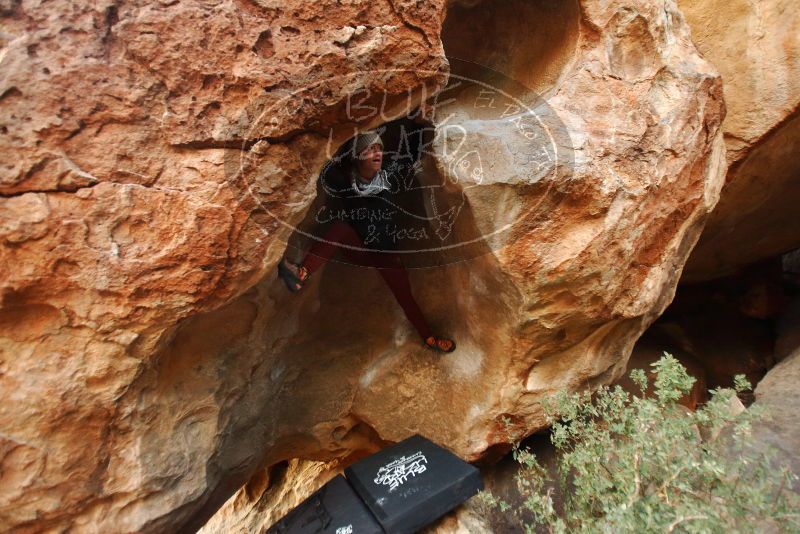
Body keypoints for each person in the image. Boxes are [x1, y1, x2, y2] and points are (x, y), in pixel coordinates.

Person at [277, 129, 456, 353]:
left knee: (404, 295)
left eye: (379, 149)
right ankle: (301, 274)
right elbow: (320, 161)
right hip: (358, 249)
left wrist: (417, 124)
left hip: (387, 255)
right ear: (358, 155)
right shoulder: (343, 180)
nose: (377, 153)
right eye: (370, 149)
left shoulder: (388, 175)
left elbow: (411, 153)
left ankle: (429, 338)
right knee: (341, 228)